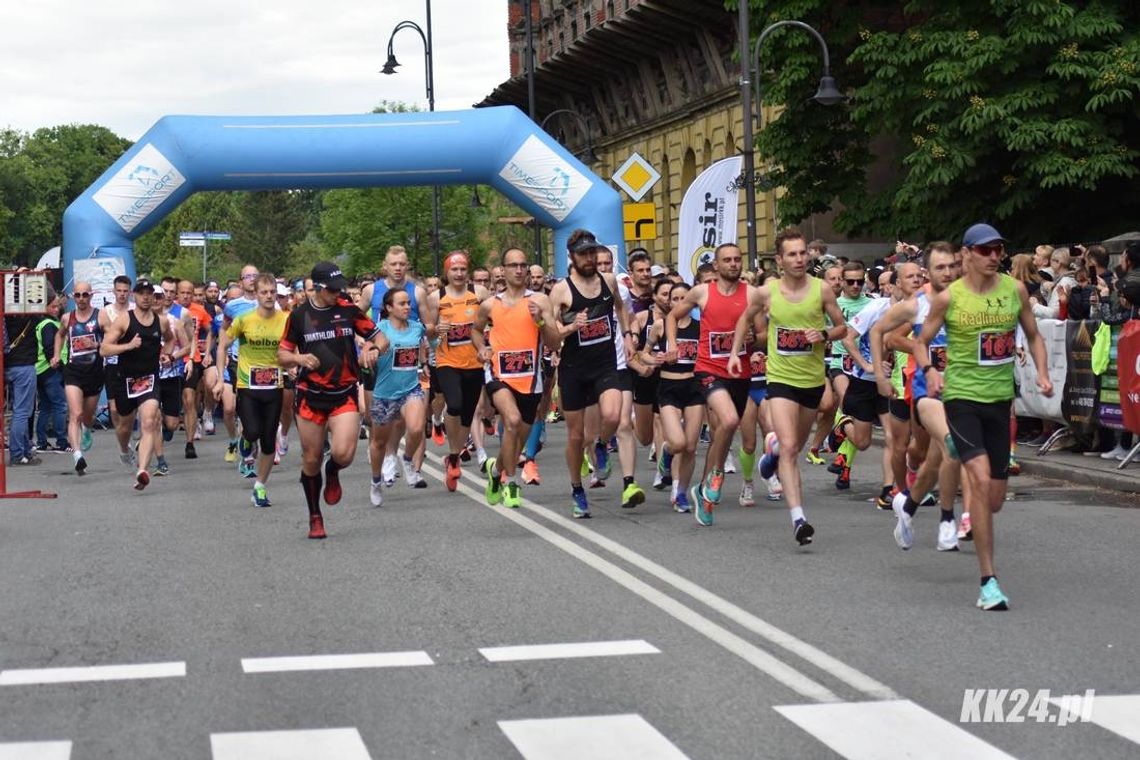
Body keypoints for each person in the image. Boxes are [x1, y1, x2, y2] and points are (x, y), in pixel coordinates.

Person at [915, 223, 1052, 610]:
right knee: (975, 477)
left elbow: (1035, 335)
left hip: (999, 402)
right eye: (987, 250)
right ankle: (988, 581)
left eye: (999, 250)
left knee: (993, 500)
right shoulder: (949, 298)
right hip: (961, 399)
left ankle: (972, 502)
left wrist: (1041, 373)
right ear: (967, 254)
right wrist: (930, 371)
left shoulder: (1015, 290)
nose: (995, 257)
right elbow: (922, 342)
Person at [728, 228, 848, 544]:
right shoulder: (767, 293)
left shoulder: (822, 290)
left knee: (791, 442)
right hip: (780, 379)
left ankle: (772, 456)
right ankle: (798, 519)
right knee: (793, 448)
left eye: (802, 253)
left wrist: (822, 335)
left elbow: (841, 327)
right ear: (780, 260)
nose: (799, 259)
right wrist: (734, 354)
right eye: (792, 254)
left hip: (810, 381)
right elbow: (744, 319)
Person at [278, 262, 387, 539]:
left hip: (343, 392)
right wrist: (299, 358)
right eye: (332, 289)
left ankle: (334, 470)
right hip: (311, 395)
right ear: (316, 287)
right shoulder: (299, 315)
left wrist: (372, 349)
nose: (337, 293)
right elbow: (282, 354)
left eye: (340, 288)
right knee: (311, 459)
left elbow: (381, 337)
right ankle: (315, 516)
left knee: (343, 454)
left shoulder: (348, 310)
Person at [871, 242, 964, 551]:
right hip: (928, 391)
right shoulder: (917, 304)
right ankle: (950, 519)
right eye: (940, 267)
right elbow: (880, 333)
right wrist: (881, 376)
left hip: (964, 390)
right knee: (953, 446)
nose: (948, 272)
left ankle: (908, 507)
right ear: (929, 271)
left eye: (952, 266)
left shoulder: (968, 300)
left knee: (936, 459)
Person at [547, 230, 634, 518]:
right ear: (571, 257)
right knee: (574, 436)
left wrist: (627, 334)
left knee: (612, 415)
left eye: (592, 253)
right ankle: (576, 488)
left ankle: (599, 445)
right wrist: (571, 328)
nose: (589, 258)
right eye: (583, 254)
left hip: (605, 363)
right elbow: (549, 336)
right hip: (574, 370)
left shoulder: (609, 281)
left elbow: (621, 309)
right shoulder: (561, 291)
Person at [666, 243, 752, 526]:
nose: (733, 264)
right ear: (716, 265)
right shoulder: (702, 292)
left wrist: (755, 339)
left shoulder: (751, 294)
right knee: (727, 421)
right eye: (727, 260)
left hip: (740, 372)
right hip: (708, 369)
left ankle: (704, 493)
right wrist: (672, 344)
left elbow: (763, 332)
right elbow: (672, 316)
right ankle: (715, 476)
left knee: (724, 431)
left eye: (737, 259)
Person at [471, 247, 562, 507]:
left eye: (523, 265)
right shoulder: (490, 304)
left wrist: (541, 322)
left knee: (516, 437)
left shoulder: (540, 302)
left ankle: (496, 472)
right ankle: (511, 483)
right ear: (503, 270)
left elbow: (554, 343)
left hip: (530, 379)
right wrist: (482, 349)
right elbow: (476, 331)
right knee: (510, 420)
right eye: (514, 265)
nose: (520, 270)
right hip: (499, 374)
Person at [215, 274, 288, 508]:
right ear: (256, 294)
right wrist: (219, 378)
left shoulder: (286, 320)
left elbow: (292, 348)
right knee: (253, 430)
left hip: (274, 386)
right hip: (247, 385)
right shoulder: (244, 320)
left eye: (272, 292)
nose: (269, 296)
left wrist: (294, 364)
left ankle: (260, 486)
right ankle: (245, 441)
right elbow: (223, 345)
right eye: (264, 292)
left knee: (268, 442)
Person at [100, 279, 176, 491]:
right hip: (125, 379)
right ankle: (125, 450)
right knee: (124, 426)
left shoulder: (160, 321)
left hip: (150, 379)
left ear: (153, 296)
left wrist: (167, 354)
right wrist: (128, 346)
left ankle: (142, 470)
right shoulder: (125, 319)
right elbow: (104, 349)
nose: (145, 297)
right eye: (141, 293)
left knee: (149, 421)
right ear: (135, 295)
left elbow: (170, 338)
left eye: (148, 293)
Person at [425, 251, 490, 491]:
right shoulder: (436, 298)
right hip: (447, 361)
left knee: (467, 413)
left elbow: (491, 319)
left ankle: (453, 456)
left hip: (474, 362)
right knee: (455, 404)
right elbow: (429, 334)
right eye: (454, 270)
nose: (459, 274)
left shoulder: (480, 294)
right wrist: (437, 329)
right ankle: (453, 451)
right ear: (447, 273)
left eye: (463, 269)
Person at [368, 287, 428, 503]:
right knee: (379, 443)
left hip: (411, 388)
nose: (407, 307)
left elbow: (425, 345)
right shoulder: (379, 329)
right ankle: (376, 481)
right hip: (384, 394)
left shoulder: (416, 328)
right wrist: (369, 356)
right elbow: (366, 349)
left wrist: (424, 362)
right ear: (389, 307)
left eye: (408, 303)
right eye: (402, 304)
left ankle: (408, 460)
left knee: (417, 428)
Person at [649, 282, 703, 512]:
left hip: (694, 387)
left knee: (690, 447)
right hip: (669, 387)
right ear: (668, 302)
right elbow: (643, 354)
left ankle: (680, 492)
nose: (680, 303)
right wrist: (657, 359)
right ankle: (666, 455)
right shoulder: (660, 327)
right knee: (678, 442)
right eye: (675, 299)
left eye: (684, 298)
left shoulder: (701, 327)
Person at [54, 282, 104, 474]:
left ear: (91, 296)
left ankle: (87, 428)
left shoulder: (100, 316)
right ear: (73, 297)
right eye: (78, 295)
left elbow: (111, 337)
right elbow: (60, 335)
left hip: (94, 372)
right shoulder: (67, 318)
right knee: (75, 414)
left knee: (87, 416)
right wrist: (57, 354)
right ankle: (77, 455)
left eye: (85, 295)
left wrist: (100, 344)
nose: (81, 298)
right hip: (73, 371)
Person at [33, 300, 68, 454]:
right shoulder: (49, 325)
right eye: (52, 306)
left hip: (39, 370)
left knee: (45, 407)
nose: (56, 309)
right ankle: (61, 441)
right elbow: (49, 347)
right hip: (51, 370)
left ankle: (41, 442)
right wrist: (59, 365)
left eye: (57, 306)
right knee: (60, 406)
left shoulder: (41, 324)